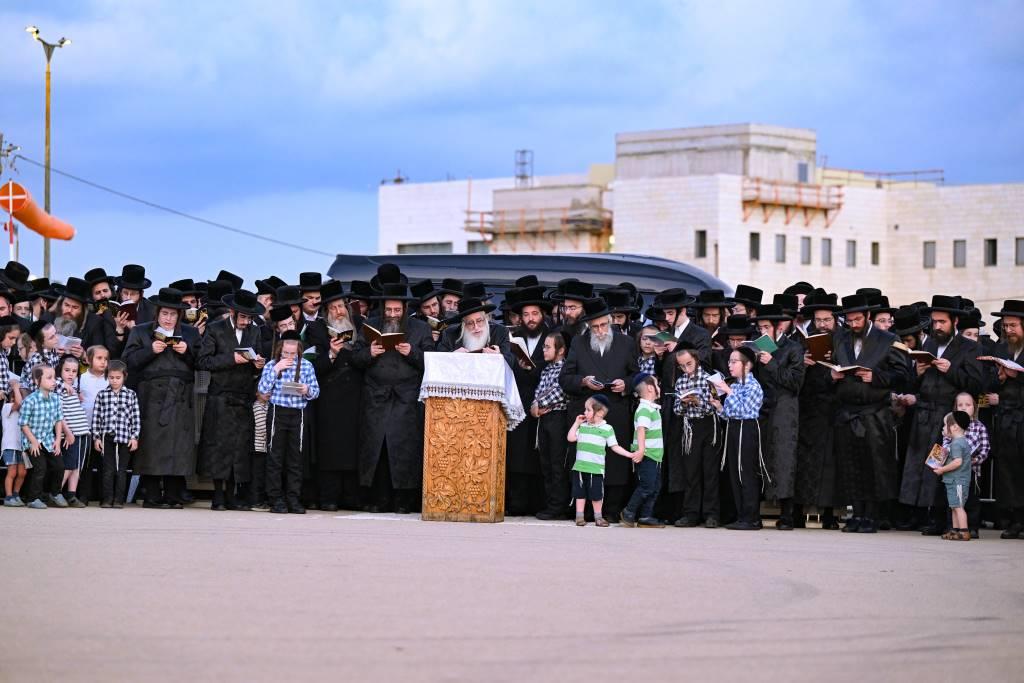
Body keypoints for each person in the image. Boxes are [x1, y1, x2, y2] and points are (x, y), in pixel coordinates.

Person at [900, 295, 987, 535]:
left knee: (950, 467)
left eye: (942, 322)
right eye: (934, 322)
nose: (937, 326)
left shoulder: (970, 347)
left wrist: (951, 370)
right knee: (931, 468)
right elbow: (913, 383)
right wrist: (917, 373)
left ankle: (954, 521)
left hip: (951, 419)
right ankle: (935, 518)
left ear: (955, 321)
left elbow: (976, 385)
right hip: (925, 416)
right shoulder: (928, 344)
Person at [352, 282, 434, 513]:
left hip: (407, 400)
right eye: (389, 310)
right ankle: (378, 500)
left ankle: (403, 502)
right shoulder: (370, 325)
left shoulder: (420, 328)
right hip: (376, 398)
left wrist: (412, 353)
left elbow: (433, 361)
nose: (392, 314)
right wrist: (369, 353)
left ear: (405, 309)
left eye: (397, 310)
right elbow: (355, 358)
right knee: (377, 449)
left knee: (403, 450)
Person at [829, 294, 908, 534]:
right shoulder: (840, 338)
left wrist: (877, 377)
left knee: (874, 465)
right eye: (849, 320)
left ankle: (872, 516)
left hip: (874, 413)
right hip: (847, 412)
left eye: (857, 320)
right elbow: (830, 366)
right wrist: (832, 375)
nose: (853, 324)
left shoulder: (889, 339)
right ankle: (857, 514)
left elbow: (903, 374)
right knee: (851, 465)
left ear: (868, 316)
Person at [559, 298, 639, 522]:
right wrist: (583, 381)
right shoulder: (578, 342)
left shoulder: (626, 343)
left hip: (616, 410)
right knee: (586, 462)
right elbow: (565, 378)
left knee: (614, 462)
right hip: (587, 411)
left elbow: (636, 375)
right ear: (589, 326)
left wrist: (626, 384)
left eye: (604, 325)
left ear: (610, 321)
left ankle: (611, 510)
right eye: (595, 327)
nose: (600, 331)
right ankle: (583, 511)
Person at [123, 288, 201, 509]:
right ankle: (152, 495)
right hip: (151, 396)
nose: (168, 318)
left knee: (178, 446)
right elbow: (128, 361)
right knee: (151, 445)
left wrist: (187, 352)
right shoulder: (140, 331)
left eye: (173, 314)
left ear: (179, 315)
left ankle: (174, 495)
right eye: (164, 313)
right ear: (157, 313)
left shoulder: (190, 333)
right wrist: (150, 350)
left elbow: (203, 362)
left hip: (180, 396)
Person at [197, 289, 267, 511]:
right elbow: (203, 361)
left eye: (250, 318)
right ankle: (218, 495)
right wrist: (232, 359)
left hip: (243, 397)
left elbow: (257, 360)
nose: (246, 321)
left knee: (240, 447)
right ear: (233, 312)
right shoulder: (215, 329)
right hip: (220, 396)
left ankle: (232, 495)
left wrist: (258, 365)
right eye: (243, 317)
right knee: (219, 447)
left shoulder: (255, 331)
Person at [305, 279, 364, 511]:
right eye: (333, 308)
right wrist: (331, 353)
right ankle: (328, 498)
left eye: (341, 306)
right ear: (326, 311)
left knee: (353, 448)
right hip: (329, 398)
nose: (339, 312)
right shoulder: (315, 330)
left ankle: (351, 497)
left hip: (355, 395)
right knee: (330, 449)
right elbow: (312, 367)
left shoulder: (359, 324)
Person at [751, 304, 805, 529]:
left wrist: (771, 363)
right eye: (760, 327)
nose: (762, 331)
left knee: (784, 459)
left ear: (778, 327)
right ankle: (754, 513)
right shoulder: (757, 346)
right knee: (760, 458)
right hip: (761, 408)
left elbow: (795, 383)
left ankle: (787, 514)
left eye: (766, 327)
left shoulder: (793, 348)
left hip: (784, 409)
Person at [792, 293, 842, 529]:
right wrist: (802, 363)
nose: (822, 324)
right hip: (809, 410)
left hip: (835, 409)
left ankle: (830, 514)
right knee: (805, 463)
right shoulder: (802, 340)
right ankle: (799, 512)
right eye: (819, 320)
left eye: (827, 320)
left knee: (831, 465)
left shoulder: (843, 339)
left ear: (835, 320)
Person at [257, 330, 321, 514]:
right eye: (286, 353)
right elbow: (262, 389)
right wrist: (276, 369)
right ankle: (275, 499)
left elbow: (316, 392)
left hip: (298, 414)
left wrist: (307, 390)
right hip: (278, 411)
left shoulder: (306, 365)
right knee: (275, 457)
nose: (289, 356)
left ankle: (293, 498)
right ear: (280, 349)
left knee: (295, 459)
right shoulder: (272, 364)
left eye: (293, 353)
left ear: (298, 350)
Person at [711, 347, 765, 531]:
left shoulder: (753, 386)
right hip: (734, 428)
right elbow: (730, 414)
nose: (730, 365)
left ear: (747, 365)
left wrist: (727, 391)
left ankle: (752, 517)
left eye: (734, 362)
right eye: (729, 361)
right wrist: (719, 406)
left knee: (746, 473)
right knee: (734, 472)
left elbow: (743, 410)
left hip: (747, 429)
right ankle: (742, 515)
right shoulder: (734, 385)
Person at [567, 394, 635, 527]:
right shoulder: (583, 426)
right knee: (580, 494)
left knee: (597, 495)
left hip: (596, 469)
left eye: (588, 410)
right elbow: (570, 438)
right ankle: (579, 516)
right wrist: (576, 423)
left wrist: (629, 454)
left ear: (599, 413)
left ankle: (598, 517)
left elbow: (614, 446)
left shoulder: (607, 429)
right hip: (580, 468)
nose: (585, 412)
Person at [986, 300, 1024, 538]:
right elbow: (988, 381)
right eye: (1005, 326)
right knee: (1008, 471)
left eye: (1013, 326)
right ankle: (1015, 520)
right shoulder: (1001, 349)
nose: (1008, 330)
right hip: (1006, 421)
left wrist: (1017, 376)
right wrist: (999, 378)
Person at [671, 345, 719, 528]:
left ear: (697, 360)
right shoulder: (681, 381)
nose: (686, 368)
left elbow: (715, 407)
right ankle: (691, 514)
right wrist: (684, 403)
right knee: (691, 472)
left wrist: (698, 403)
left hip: (708, 425)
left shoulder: (709, 379)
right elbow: (676, 410)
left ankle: (711, 514)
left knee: (710, 471)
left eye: (689, 364)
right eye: (682, 366)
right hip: (690, 428)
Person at [91, 360, 141, 508]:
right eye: (111, 377)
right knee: (108, 470)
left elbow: (135, 418)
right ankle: (107, 499)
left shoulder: (131, 395)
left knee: (121, 470)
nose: (114, 380)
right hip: (107, 438)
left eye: (118, 377)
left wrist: (134, 437)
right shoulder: (102, 395)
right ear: (107, 377)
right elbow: (96, 417)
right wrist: (96, 438)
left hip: (124, 438)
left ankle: (119, 500)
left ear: (124, 377)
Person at [531, 332, 569, 520]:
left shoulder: (565, 369)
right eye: (543, 346)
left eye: (548, 347)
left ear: (560, 350)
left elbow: (559, 392)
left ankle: (559, 506)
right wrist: (534, 406)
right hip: (544, 419)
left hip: (558, 419)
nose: (544, 350)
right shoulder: (546, 370)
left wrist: (538, 404)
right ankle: (550, 503)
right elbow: (538, 391)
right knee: (545, 463)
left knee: (557, 463)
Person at [941, 392, 989, 538]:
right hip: (953, 471)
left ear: (974, 407)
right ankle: (952, 527)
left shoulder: (979, 427)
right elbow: (945, 444)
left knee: (972, 500)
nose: (963, 407)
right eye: (960, 405)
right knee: (953, 500)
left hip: (972, 470)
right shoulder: (951, 426)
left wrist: (975, 459)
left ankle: (972, 527)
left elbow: (985, 448)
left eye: (967, 405)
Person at [19, 365, 66, 509]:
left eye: (54, 378)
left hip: (49, 440)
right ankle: (33, 498)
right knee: (40, 468)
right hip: (32, 441)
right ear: (37, 380)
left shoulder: (56, 399)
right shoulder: (30, 400)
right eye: (49, 378)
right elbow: (23, 423)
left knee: (59, 466)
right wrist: (33, 441)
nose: (54, 381)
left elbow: (58, 420)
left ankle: (55, 493)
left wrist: (57, 441)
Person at [620, 373, 664, 528]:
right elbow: (641, 430)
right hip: (647, 454)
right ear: (651, 388)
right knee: (646, 486)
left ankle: (646, 516)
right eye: (657, 384)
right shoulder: (645, 409)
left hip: (655, 455)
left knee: (654, 487)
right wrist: (641, 450)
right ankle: (628, 512)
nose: (659, 387)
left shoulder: (651, 408)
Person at [933, 411, 973, 541]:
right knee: (954, 506)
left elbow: (957, 462)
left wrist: (942, 469)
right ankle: (955, 530)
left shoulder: (957, 443)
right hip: (953, 481)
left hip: (958, 481)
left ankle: (964, 531)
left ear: (954, 427)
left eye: (945, 425)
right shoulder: (958, 442)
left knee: (958, 507)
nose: (943, 428)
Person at [55, 355, 89, 508]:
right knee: (68, 466)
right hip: (71, 434)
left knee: (76, 467)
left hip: (81, 433)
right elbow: (59, 414)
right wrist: (68, 433)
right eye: (67, 370)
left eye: (74, 371)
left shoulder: (73, 388)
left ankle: (71, 494)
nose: (70, 374)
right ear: (60, 371)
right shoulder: (60, 388)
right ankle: (55, 492)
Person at [2, 374, 27, 506]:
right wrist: (16, 387)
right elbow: (18, 403)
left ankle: (16, 494)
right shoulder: (7, 407)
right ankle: (8, 497)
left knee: (22, 472)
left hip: (22, 446)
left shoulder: (24, 411)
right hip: (10, 445)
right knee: (12, 472)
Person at [20, 321, 62, 393]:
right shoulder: (37, 360)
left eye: (56, 333)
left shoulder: (53, 351)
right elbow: (38, 388)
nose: (57, 338)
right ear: (41, 343)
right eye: (51, 337)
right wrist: (64, 385)